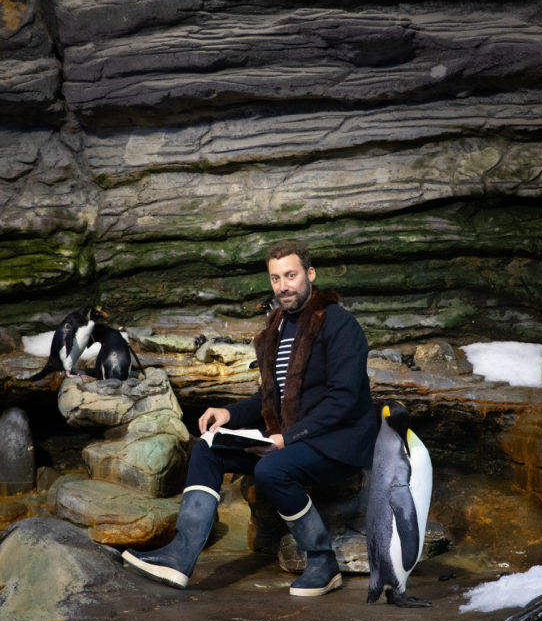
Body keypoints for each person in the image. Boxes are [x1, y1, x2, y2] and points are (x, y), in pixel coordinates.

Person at [122, 241, 377, 596]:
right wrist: (229, 413)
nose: (283, 286)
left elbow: (343, 400)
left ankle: (323, 562)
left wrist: (287, 439)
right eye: (276, 278)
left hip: (338, 441)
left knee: (272, 469)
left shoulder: (338, 323)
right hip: (294, 435)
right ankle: (180, 555)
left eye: (291, 275)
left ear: (310, 274)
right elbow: (269, 397)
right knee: (207, 448)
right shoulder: (278, 327)